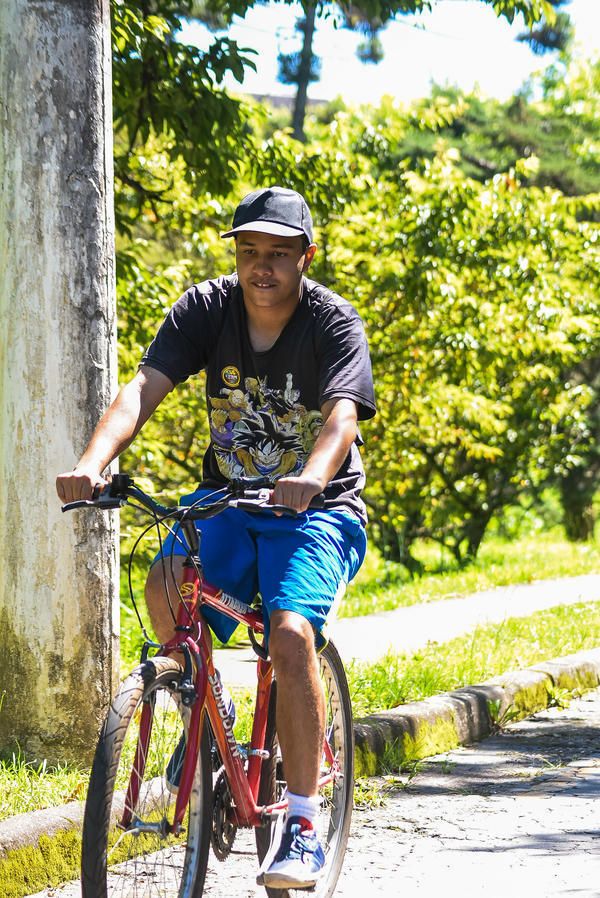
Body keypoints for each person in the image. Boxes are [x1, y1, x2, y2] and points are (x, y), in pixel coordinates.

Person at [56, 185, 375, 889]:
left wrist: (313, 478)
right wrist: (91, 462)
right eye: (249, 251)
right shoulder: (206, 308)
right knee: (165, 586)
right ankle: (208, 705)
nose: (262, 267)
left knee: (291, 636)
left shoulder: (332, 321)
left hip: (318, 510)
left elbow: (341, 419)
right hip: (231, 498)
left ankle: (297, 820)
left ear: (305, 257)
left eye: (279, 255)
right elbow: (144, 387)